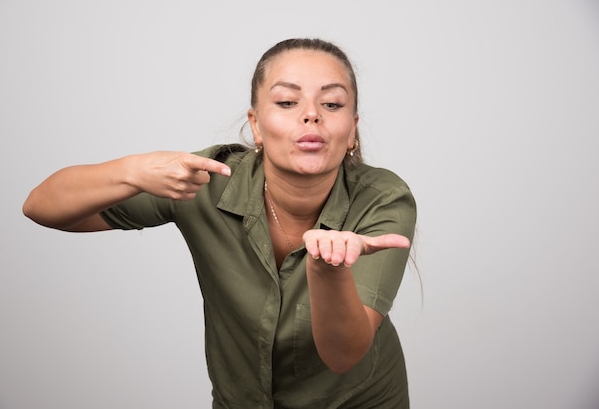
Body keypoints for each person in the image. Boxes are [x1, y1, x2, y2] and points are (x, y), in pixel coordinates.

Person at [23, 38, 417, 408]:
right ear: (256, 125)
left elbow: (344, 355)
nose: (311, 114)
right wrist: (131, 170)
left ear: (352, 128)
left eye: (331, 104)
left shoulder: (384, 199)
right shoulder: (205, 180)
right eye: (286, 101)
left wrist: (327, 273)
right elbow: (41, 206)